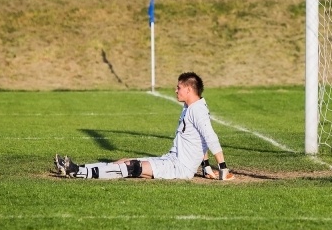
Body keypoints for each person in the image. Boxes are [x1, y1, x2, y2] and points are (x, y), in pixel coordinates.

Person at [55, 72, 232, 180]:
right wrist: (206, 166)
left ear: (188, 90)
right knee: (124, 161)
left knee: (133, 167)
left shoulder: (197, 111)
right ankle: (76, 167)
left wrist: (222, 168)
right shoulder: (190, 107)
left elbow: (210, 137)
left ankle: (77, 173)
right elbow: (199, 138)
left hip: (179, 168)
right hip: (170, 160)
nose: (175, 90)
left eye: (178, 87)